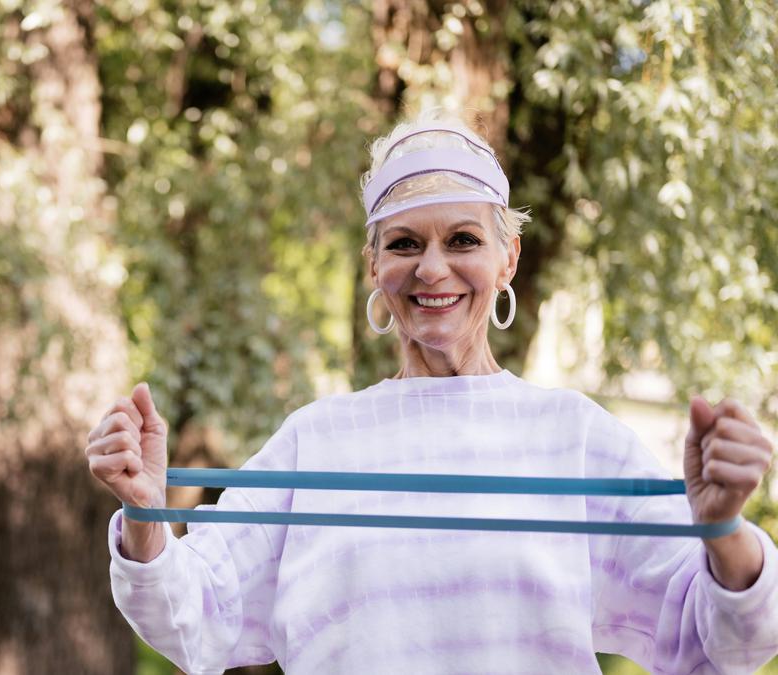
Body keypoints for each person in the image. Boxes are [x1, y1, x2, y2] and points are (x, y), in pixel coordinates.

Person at [84, 111, 778, 674]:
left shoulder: (572, 434)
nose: (433, 268)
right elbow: (195, 618)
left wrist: (723, 529)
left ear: (507, 257)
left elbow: (726, 645)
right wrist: (145, 517)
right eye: (406, 243)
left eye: (464, 238)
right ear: (374, 266)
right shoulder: (314, 439)